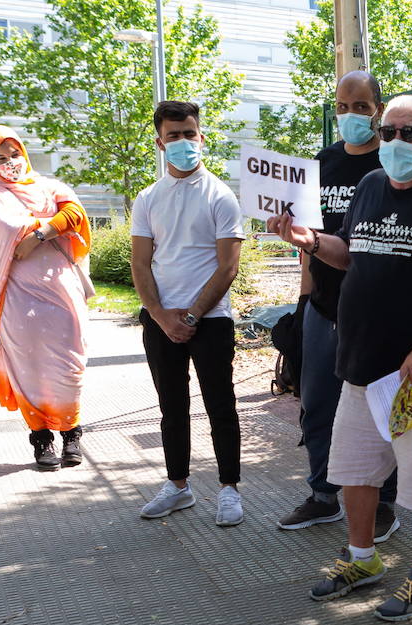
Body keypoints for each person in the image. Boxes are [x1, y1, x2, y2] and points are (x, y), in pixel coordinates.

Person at [269, 94, 412, 621]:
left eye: (410, 133)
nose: (395, 141)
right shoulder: (371, 186)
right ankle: (363, 559)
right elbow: (349, 252)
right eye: (388, 131)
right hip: (362, 364)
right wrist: (309, 240)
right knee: (355, 470)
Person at [277, 70, 401, 541]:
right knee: (318, 403)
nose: (350, 115)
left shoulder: (393, 165)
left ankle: (384, 501)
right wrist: (303, 304)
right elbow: (307, 241)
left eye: (361, 106)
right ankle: (322, 495)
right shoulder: (320, 164)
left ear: (378, 109)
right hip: (324, 308)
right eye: (342, 107)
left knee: (378, 408)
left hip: (374, 311)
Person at [130, 100, 246, 526]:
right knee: (171, 407)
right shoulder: (148, 198)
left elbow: (227, 266)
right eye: (174, 135)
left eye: (189, 133)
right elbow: (141, 263)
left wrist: (193, 316)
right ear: (160, 142)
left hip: (211, 321)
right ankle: (177, 486)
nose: (183, 142)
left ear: (202, 137)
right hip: (161, 321)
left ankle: (229, 489)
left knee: (221, 404)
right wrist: (161, 315)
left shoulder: (221, 195)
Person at [0, 126, 94, 470]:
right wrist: (54, 222)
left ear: (24, 153)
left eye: (14, 154)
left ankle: (71, 431)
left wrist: (40, 232)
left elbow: (75, 215)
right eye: (0, 158)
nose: (10, 162)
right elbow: (4, 225)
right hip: (16, 295)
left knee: (70, 363)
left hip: (62, 290)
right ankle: (42, 438)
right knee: (27, 364)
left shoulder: (50, 186)